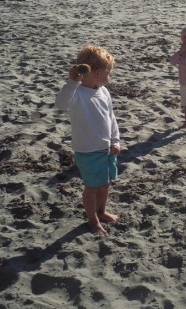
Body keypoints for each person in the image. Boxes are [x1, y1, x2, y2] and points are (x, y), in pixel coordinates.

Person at [55, 45, 120, 234]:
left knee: (105, 183)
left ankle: (101, 211)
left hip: (106, 148)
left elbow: (111, 117)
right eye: (109, 73)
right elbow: (60, 104)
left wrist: (115, 140)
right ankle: (93, 220)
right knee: (92, 187)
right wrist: (72, 82)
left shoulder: (103, 91)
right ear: (98, 73)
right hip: (87, 150)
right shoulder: (76, 94)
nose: (110, 77)